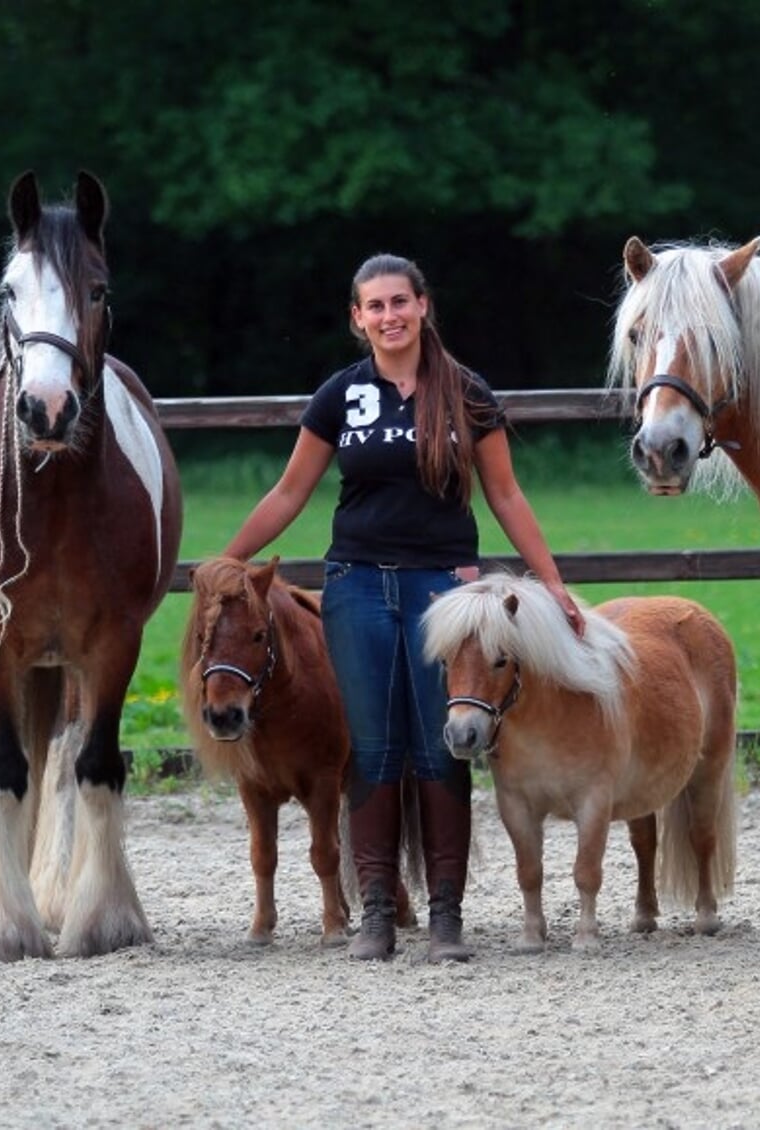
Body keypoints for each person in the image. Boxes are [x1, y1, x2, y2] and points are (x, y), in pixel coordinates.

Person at [222, 252, 584, 963]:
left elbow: (506, 495)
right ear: (358, 319)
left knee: (439, 744)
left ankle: (446, 915)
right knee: (373, 746)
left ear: (423, 306)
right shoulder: (340, 396)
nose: (389, 316)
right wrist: (228, 566)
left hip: (441, 591)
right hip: (355, 584)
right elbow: (291, 492)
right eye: (374, 306)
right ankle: (378, 913)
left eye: (399, 302)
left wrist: (555, 582)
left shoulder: (467, 394)